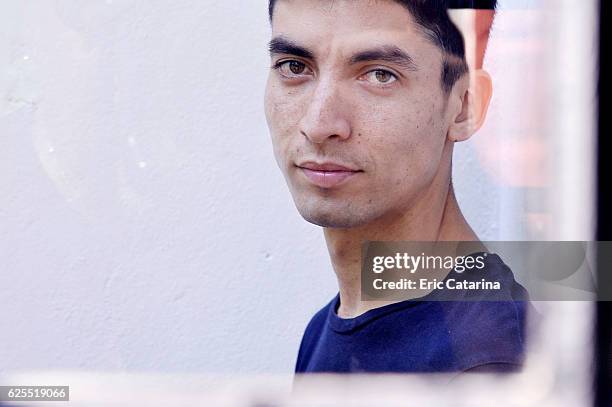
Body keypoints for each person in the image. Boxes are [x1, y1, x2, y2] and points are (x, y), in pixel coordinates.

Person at [264, 0, 531, 373]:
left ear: (464, 106)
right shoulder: (328, 326)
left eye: (379, 75)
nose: (319, 123)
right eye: (295, 67)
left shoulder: (489, 364)